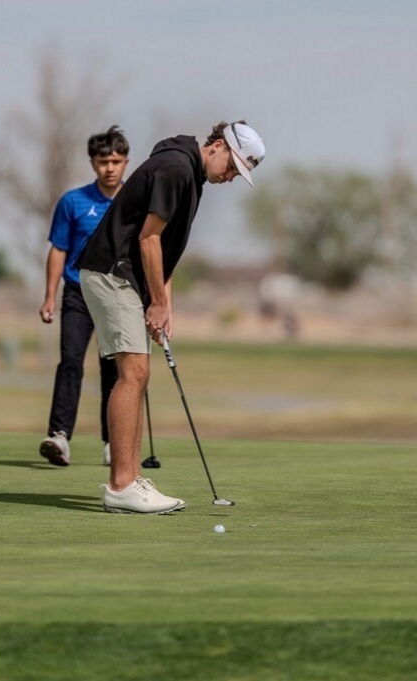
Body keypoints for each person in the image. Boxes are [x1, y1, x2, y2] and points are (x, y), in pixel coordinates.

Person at [76, 120, 265, 513]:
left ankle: (128, 478)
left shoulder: (188, 174)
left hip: (125, 277)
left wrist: (165, 304)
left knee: (137, 373)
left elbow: (167, 249)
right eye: (232, 167)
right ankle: (121, 485)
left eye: (238, 174)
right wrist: (157, 303)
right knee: (134, 373)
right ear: (217, 146)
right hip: (113, 272)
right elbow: (148, 238)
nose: (231, 177)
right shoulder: (178, 169)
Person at [39, 125, 130, 467]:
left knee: (114, 368)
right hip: (77, 292)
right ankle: (59, 436)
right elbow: (58, 249)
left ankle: (113, 443)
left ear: (126, 163)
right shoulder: (72, 201)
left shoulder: (132, 202)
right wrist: (50, 296)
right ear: (92, 163)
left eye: (117, 161)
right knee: (71, 361)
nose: (110, 168)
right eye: (103, 160)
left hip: (117, 294)